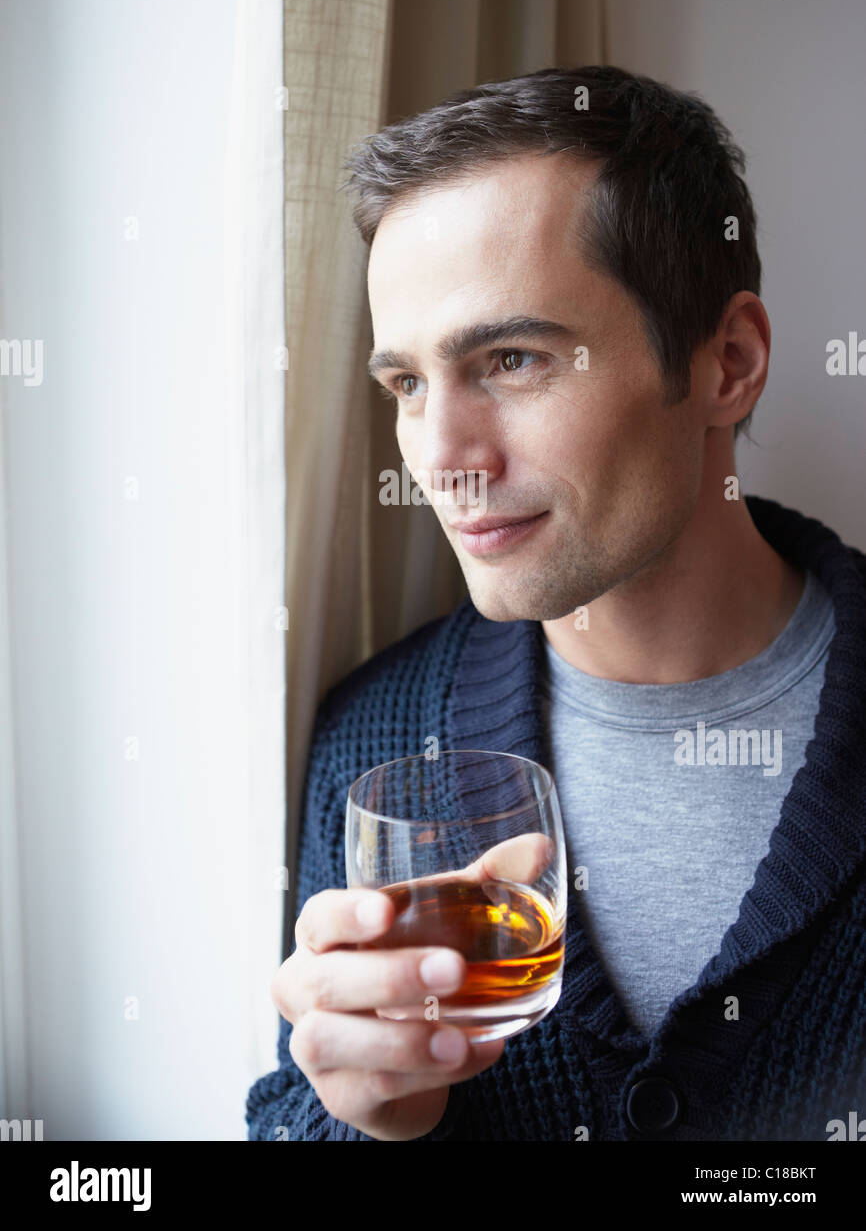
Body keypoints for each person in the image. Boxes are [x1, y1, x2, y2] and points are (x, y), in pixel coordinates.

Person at [246, 66, 866, 1141]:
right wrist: (365, 1122)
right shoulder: (374, 743)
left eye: (513, 358)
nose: (440, 459)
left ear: (728, 361)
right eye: (406, 384)